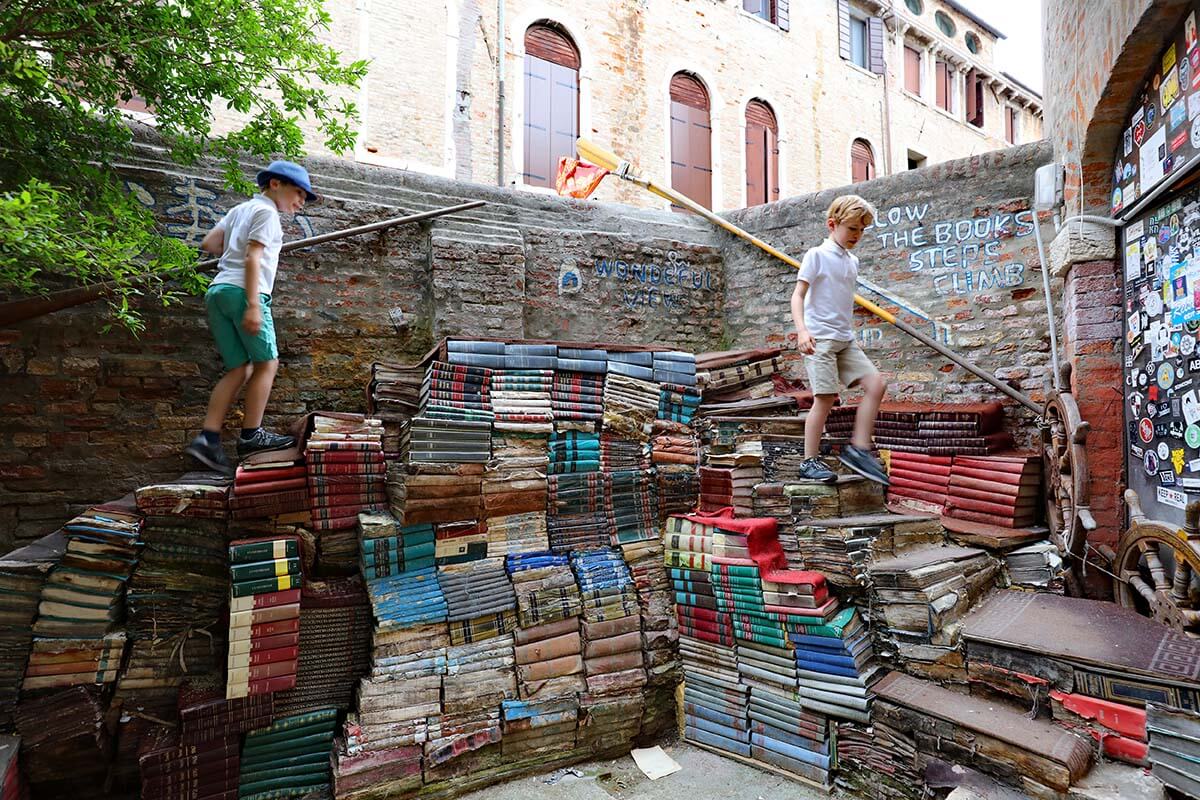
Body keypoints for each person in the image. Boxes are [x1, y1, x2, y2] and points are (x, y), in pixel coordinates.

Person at [184, 160, 317, 474]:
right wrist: (254, 305)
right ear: (275, 184)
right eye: (298, 193)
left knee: (239, 368)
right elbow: (253, 256)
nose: (300, 202)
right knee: (267, 363)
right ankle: (251, 435)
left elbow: (210, 243)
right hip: (246, 293)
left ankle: (208, 439)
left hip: (218, 292)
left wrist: (233, 250)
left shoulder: (239, 210)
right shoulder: (267, 214)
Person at [790, 194, 889, 485]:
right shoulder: (816, 256)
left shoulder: (852, 261)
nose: (857, 235)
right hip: (819, 339)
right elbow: (798, 295)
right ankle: (808, 462)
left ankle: (859, 449)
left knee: (876, 384)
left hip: (845, 340)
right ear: (832, 224)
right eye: (852, 229)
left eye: (861, 230)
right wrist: (802, 330)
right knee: (825, 398)